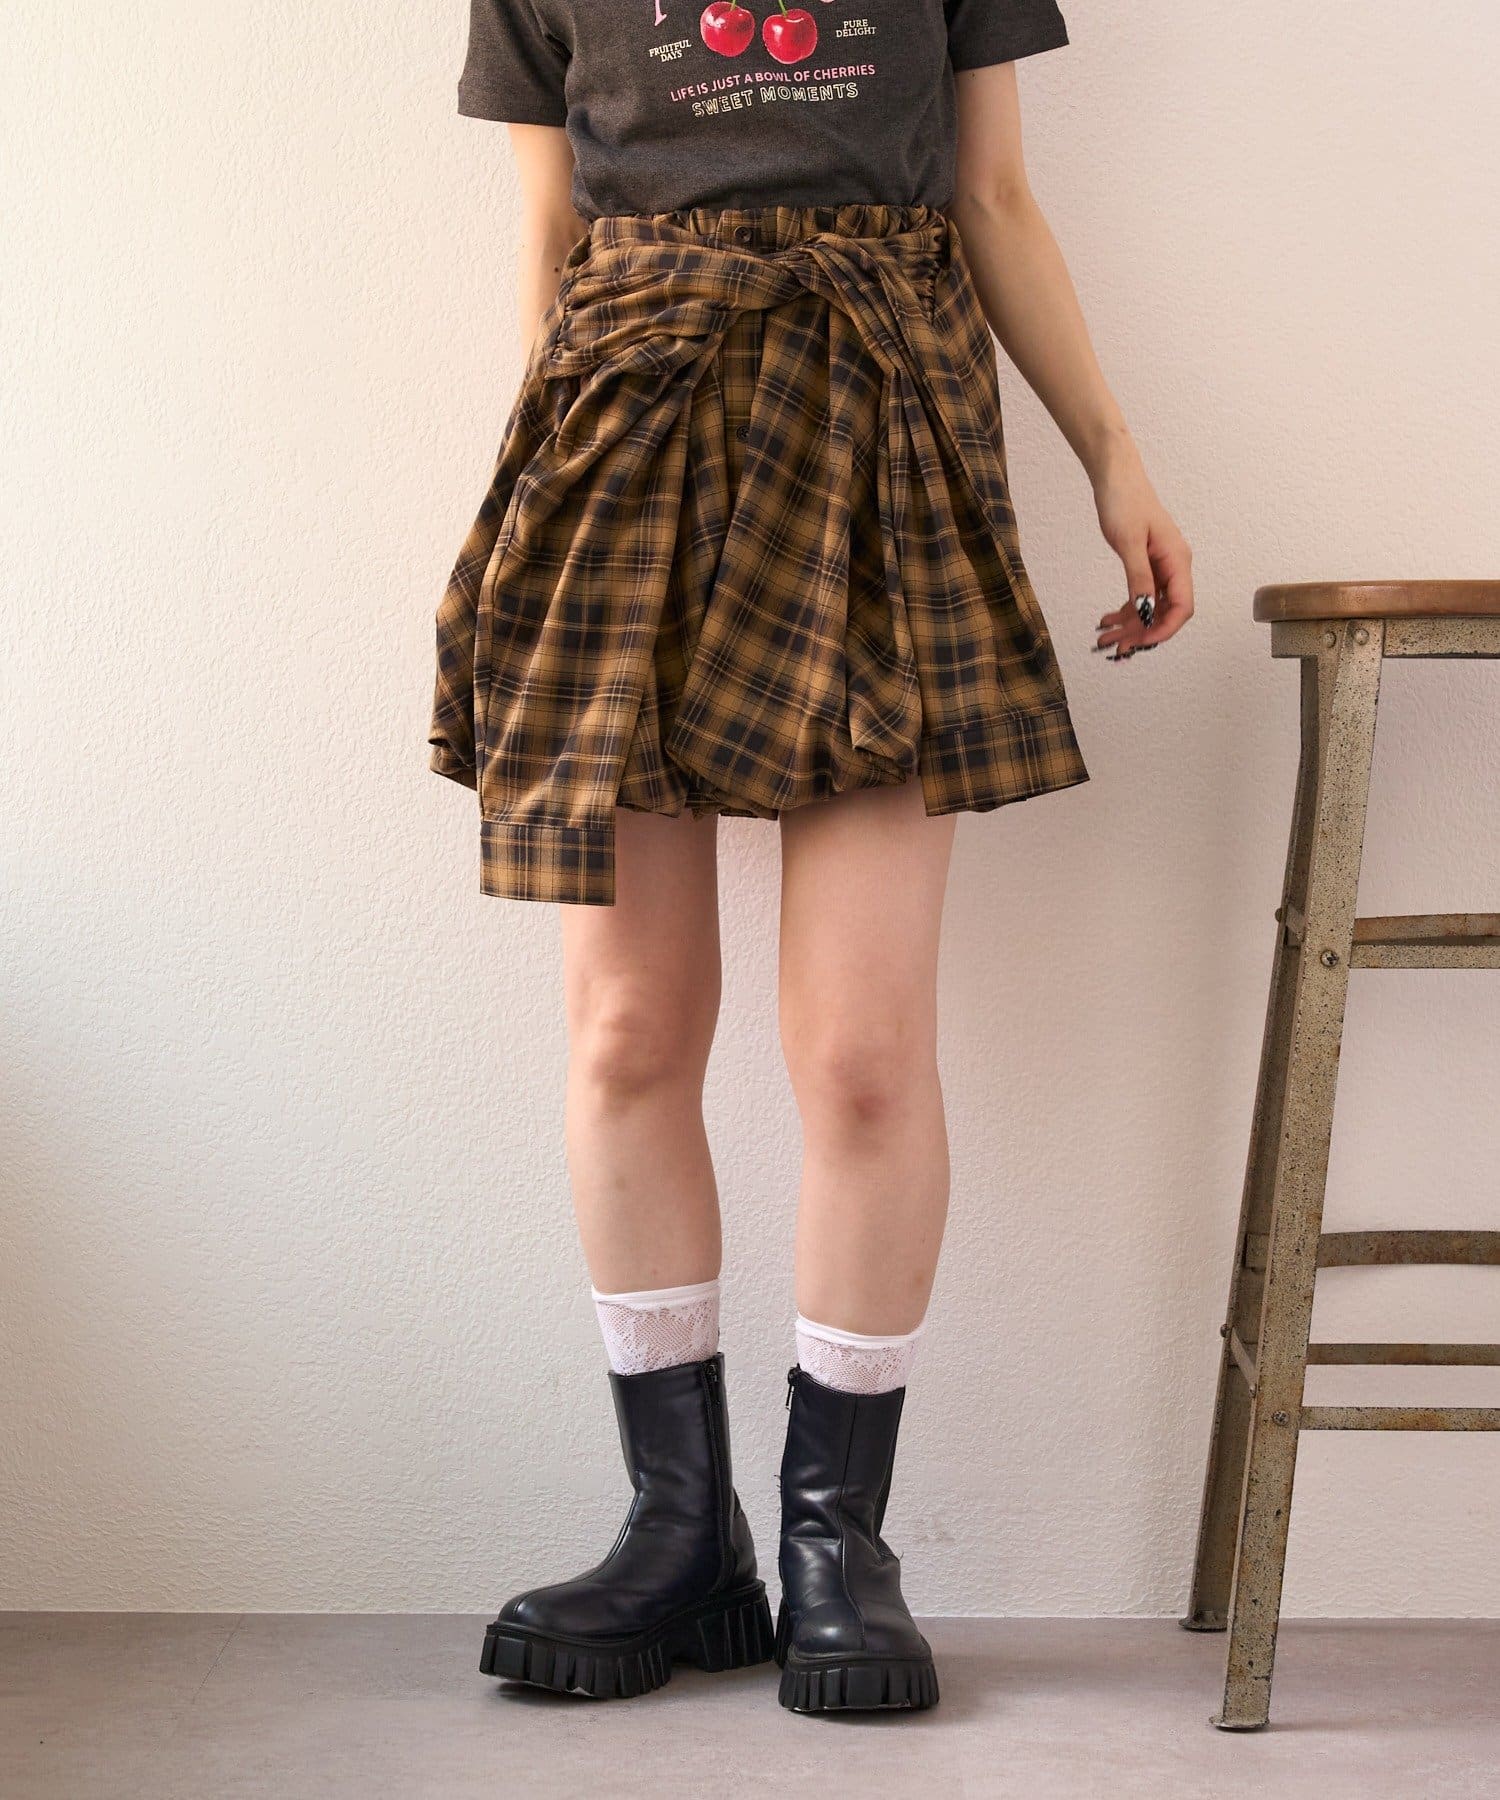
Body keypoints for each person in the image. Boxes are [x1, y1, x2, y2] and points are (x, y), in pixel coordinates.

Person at [429, 0, 1193, 1716]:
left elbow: (991, 195)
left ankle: (840, 1543)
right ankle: (679, 1535)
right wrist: (546, 489)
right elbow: (551, 230)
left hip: (884, 423)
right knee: (628, 1031)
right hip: (624, 428)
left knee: (860, 1055)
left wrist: (1114, 457)